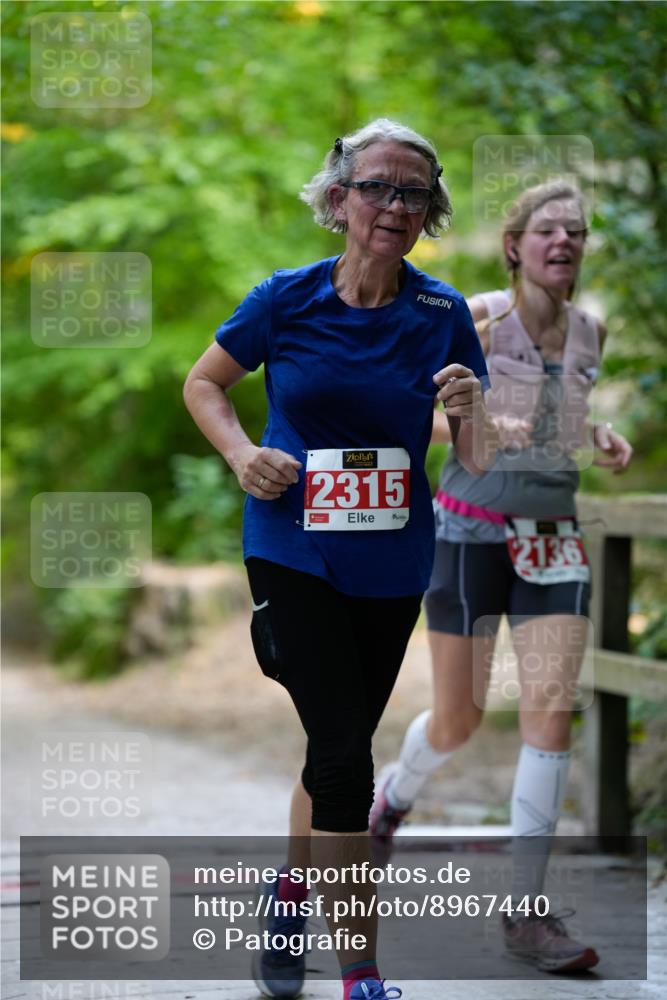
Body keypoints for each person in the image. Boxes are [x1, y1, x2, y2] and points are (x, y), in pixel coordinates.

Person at [183, 118, 494, 1000]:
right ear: (338, 198)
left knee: (337, 744)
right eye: (376, 187)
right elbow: (204, 384)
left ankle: (288, 897)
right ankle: (362, 974)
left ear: (429, 210)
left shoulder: (440, 313)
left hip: (392, 559)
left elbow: (474, 459)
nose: (395, 205)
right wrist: (243, 455)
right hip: (291, 546)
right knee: (347, 765)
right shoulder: (283, 299)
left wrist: (470, 409)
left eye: (413, 192)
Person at [369, 179, 634, 974]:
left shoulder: (590, 330)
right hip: (468, 534)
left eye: (575, 232)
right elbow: (400, 408)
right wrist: (475, 418)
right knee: (459, 720)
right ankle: (392, 800)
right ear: (514, 246)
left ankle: (525, 911)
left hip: (553, 538)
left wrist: (598, 434)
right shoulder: (474, 316)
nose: (564, 242)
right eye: (547, 230)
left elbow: (560, 415)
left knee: (550, 712)